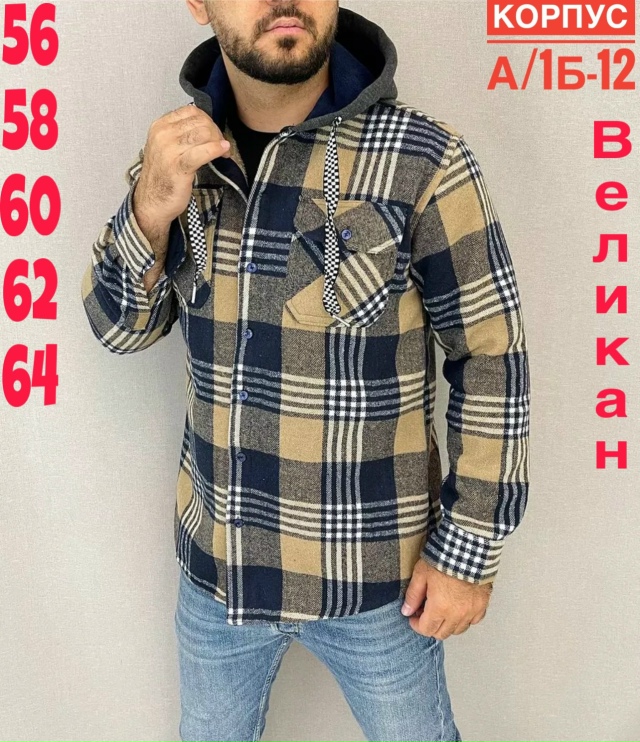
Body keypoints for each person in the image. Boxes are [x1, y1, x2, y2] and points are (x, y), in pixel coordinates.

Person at [80, 1, 531, 740]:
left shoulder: (424, 159)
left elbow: (491, 358)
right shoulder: (178, 160)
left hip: (380, 583)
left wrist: (467, 551)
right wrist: (151, 207)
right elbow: (118, 329)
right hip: (218, 575)